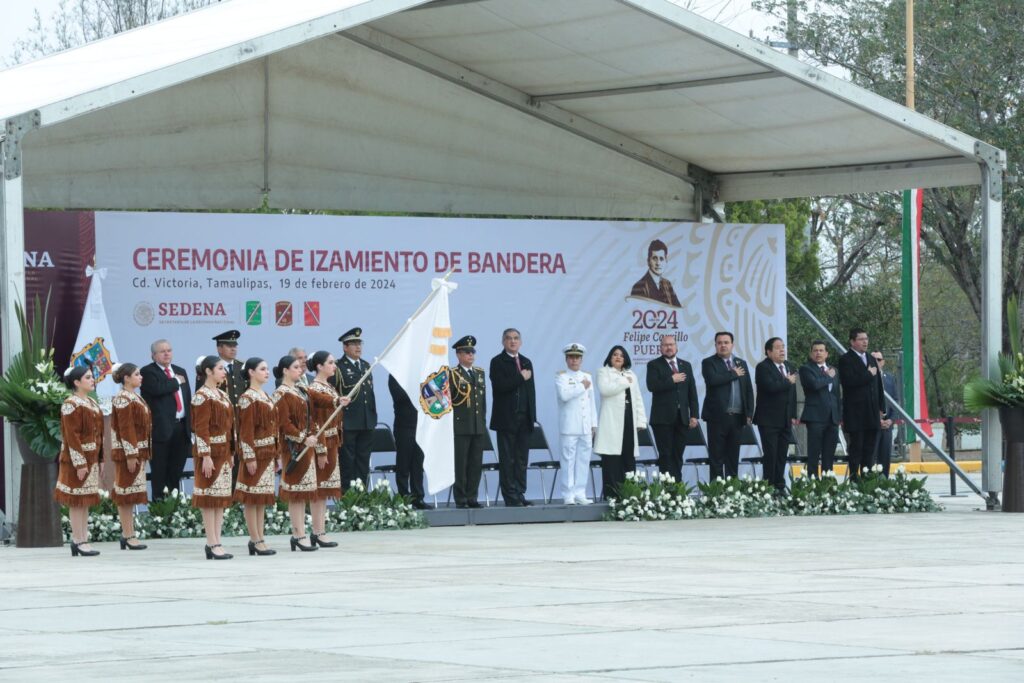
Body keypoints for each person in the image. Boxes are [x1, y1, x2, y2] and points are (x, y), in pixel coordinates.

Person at [54, 365, 104, 557]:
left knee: (85, 501)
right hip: (76, 460)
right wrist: (80, 463)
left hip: (91, 458)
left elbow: (99, 434)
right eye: (88, 377)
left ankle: (83, 539)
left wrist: (100, 459)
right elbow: (71, 436)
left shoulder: (91, 402)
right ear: (76, 382)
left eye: (92, 377)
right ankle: (78, 539)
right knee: (76, 501)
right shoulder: (70, 404)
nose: (92, 380)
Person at [272, 355, 319, 552]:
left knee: (302, 494)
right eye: (295, 367)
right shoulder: (281, 394)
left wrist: (311, 433)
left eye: (301, 367)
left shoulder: (300, 391)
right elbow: (284, 424)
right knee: (295, 493)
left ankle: (301, 533)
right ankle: (298, 534)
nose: (300, 370)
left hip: (306, 445)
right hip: (293, 448)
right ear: (285, 370)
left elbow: (308, 415)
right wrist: (302, 438)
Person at [191, 355, 236, 560]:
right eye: (219, 368)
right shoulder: (202, 396)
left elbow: (230, 426)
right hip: (210, 452)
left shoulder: (222, 394)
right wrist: (205, 455)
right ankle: (211, 542)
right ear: (208, 371)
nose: (223, 372)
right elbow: (200, 428)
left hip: (224, 451)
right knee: (209, 498)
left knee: (220, 499)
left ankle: (217, 540)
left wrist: (231, 452)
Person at [234, 357, 278, 556]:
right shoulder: (247, 397)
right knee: (252, 498)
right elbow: (246, 431)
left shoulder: (265, 395)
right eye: (262, 369)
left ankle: (260, 537)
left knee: (261, 498)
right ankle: (255, 538)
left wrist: (276, 454)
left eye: (267, 369)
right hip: (256, 453)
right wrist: (249, 457)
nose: (266, 372)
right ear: (251, 372)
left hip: (268, 452)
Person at [489, 328, 536, 507]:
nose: (513, 341)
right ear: (503, 342)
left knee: (522, 459)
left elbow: (531, 392)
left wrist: (532, 416)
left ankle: (520, 493)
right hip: (506, 419)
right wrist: (520, 377)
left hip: (524, 419)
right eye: (509, 338)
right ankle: (510, 496)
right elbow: (501, 386)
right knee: (508, 459)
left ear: (521, 342)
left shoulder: (526, 361)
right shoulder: (497, 362)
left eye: (516, 338)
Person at [308, 350, 351, 547]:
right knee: (320, 489)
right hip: (324, 442)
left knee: (325, 490)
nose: (334, 366)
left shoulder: (329, 386)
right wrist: (321, 449)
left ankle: (320, 529)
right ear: (319, 366)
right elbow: (317, 422)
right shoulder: (314, 388)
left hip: (334, 440)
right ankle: (317, 531)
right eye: (331, 362)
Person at [140, 339, 191, 501]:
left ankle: (174, 510)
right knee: (160, 473)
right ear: (153, 355)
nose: (167, 353)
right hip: (160, 431)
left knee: (175, 472)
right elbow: (158, 390)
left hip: (181, 429)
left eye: (169, 350)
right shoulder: (148, 372)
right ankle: (160, 512)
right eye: (162, 351)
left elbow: (187, 398)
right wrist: (175, 381)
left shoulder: (180, 370)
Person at [594, 346, 647, 498]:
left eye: (621, 355)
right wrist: (624, 382)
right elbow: (605, 389)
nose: (618, 357)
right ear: (610, 357)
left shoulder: (632, 375)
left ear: (625, 359)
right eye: (615, 355)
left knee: (628, 457)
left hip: (629, 419)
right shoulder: (604, 372)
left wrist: (641, 420)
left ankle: (629, 496)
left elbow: (637, 398)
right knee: (612, 460)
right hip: (611, 422)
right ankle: (612, 497)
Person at [701, 331, 754, 480]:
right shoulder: (709, 362)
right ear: (715, 345)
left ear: (732, 345)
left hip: (737, 417)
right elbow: (713, 380)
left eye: (726, 342)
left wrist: (749, 413)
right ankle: (717, 492)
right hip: (717, 417)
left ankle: (731, 490)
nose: (723, 345)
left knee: (732, 456)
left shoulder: (740, 363)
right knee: (716, 457)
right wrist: (733, 373)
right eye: (719, 343)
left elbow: (748, 389)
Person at [645, 334, 699, 482]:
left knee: (677, 454)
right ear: (660, 348)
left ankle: (677, 487)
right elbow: (652, 386)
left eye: (671, 344)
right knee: (666, 455)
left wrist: (694, 415)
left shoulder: (685, 365)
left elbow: (692, 392)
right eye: (665, 345)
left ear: (676, 347)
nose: (669, 347)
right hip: (662, 419)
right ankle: (666, 488)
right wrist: (671, 380)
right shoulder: (654, 365)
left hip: (682, 418)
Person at [109, 362, 150, 550]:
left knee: (133, 493)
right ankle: (128, 534)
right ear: (126, 378)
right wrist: (131, 454)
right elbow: (125, 428)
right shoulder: (123, 398)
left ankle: (129, 533)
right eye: (136, 374)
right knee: (126, 493)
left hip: (138, 451)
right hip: (128, 453)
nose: (140, 377)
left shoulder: (134, 397)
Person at [837, 328, 884, 479]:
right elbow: (849, 382)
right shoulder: (846, 359)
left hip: (872, 412)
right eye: (861, 339)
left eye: (866, 339)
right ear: (852, 341)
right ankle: (854, 478)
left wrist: (881, 408)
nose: (865, 342)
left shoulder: (871, 358)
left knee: (870, 449)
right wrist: (868, 374)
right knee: (857, 448)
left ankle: (867, 479)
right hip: (856, 413)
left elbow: (878, 386)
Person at [333, 327, 377, 491]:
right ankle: (347, 497)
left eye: (359, 343)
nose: (358, 347)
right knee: (347, 461)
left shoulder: (366, 366)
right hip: (348, 422)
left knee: (363, 461)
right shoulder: (338, 367)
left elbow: (369, 395)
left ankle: (362, 495)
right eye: (353, 344)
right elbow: (333, 394)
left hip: (366, 422)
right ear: (345, 347)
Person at [753, 337, 798, 493]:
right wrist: (787, 381)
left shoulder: (789, 366)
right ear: (769, 351)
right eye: (778, 347)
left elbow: (793, 394)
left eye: (783, 347)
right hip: (768, 419)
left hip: (785, 419)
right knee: (771, 455)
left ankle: (780, 486)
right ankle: (768, 488)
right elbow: (770, 387)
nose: (782, 350)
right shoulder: (763, 367)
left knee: (781, 456)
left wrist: (793, 414)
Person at [555, 342, 597, 505]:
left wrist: (594, 424)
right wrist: (581, 386)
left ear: (581, 359)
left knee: (583, 460)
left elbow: (592, 401)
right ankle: (568, 494)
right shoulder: (561, 376)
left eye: (577, 357)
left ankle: (580, 492)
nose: (574, 360)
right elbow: (564, 396)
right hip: (570, 426)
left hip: (585, 426)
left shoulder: (587, 376)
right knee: (568, 461)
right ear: (566, 359)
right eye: (571, 357)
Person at [451, 335, 486, 509]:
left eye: (472, 352)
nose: (471, 355)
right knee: (460, 464)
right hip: (460, 426)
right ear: (458, 354)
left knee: (475, 463)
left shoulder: (479, 373)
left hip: (477, 425)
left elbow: (483, 401)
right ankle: (461, 498)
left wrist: (482, 421)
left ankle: (472, 497)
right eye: (467, 352)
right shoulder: (453, 374)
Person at [799, 341, 842, 478]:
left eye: (821, 350)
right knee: (814, 454)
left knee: (829, 455)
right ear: (811, 354)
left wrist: (839, 416)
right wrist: (828, 376)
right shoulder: (806, 369)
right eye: (815, 350)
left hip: (832, 418)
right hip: (815, 417)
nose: (818, 353)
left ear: (826, 353)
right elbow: (815, 385)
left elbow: (836, 395)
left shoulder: (834, 370)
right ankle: (813, 483)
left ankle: (827, 483)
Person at [387, 375, 429, 509]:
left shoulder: (422, 374)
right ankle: (404, 498)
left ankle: (418, 497)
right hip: (404, 425)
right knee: (403, 464)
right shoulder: (396, 374)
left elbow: (431, 396)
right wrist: (419, 390)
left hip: (420, 425)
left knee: (418, 464)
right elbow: (400, 396)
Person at [199, 329, 246, 405]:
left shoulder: (243, 367)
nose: (233, 349)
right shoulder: (210, 368)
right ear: (219, 349)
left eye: (235, 346)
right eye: (229, 346)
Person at [629, 239, 681, 307]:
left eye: (661, 259)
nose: (658, 263)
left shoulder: (668, 285)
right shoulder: (638, 287)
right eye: (654, 258)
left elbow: (678, 311)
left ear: (666, 261)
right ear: (648, 261)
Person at [872, 351, 899, 476]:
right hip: (871, 425)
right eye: (873, 359)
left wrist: (891, 420)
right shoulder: (865, 378)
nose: (876, 362)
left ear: (883, 362)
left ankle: (884, 485)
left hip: (887, 426)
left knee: (885, 459)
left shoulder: (890, 378)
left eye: (878, 359)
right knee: (871, 459)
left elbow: (895, 401)